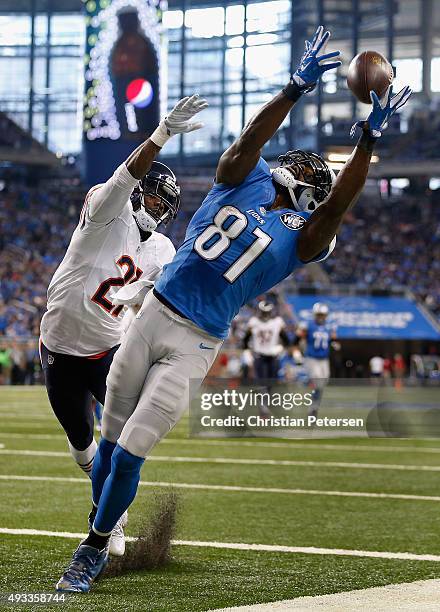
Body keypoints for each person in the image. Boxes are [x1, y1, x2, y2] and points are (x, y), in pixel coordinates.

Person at [57, 25, 411, 592]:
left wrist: (368, 141)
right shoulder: (236, 184)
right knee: (110, 444)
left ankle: (93, 547)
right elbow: (247, 144)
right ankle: (107, 524)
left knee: (129, 453)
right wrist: (292, 89)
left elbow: (338, 206)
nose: (303, 176)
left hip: (195, 343)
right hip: (150, 318)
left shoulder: (303, 235)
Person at [41, 95, 207, 556]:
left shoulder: (162, 248)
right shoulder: (105, 209)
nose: (157, 208)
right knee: (82, 448)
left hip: (110, 348)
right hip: (58, 347)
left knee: (125, 439)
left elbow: (164, 296)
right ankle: (99, 490)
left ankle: (107, 516)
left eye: (164, 205)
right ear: (137, 190)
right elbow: (126, 176)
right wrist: (161, 135)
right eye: (153, 196)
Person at [297, 302, 336, 418]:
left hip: (324, 359)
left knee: (323, 383)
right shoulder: (308, 325)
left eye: (323, 315)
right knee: (318, 382)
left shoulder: (328, 327)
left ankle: (314, 405)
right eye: (319, 315)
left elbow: (331, 340)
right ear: (315, 315)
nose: (321, 317)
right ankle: (313, 407)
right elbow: (299, 337)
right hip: (312, 358)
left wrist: (334, 342)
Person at [242, 300, 290, 382]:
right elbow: (246, 339)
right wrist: (247, 351)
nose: (265, 314)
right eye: (264, 312)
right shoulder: (254, 322)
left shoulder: (277, 322)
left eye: (267, 312)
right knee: (261, 381)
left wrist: (281, 348)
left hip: (273, 355)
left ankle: (268, 394)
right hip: (259, 355)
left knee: (272, 381)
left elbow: (285, 339)